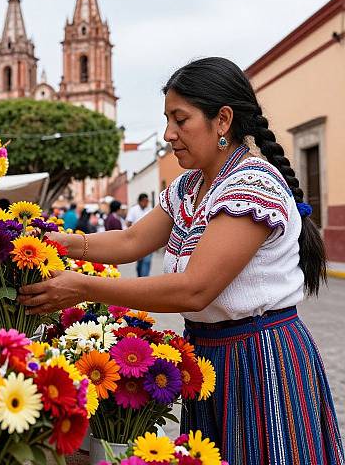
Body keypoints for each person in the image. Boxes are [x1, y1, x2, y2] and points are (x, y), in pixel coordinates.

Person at [19, 57, 344, 464]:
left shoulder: (252, 185)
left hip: (259, 362)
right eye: (167, 120)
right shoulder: (189, 185)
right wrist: (54, 241)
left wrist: (81, 286)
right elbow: (133, 239)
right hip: (209, 355)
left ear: (222, 120)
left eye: (181, 119)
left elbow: (194, 289)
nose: (170, 134)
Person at [127, 193, 153, 276]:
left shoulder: (150, 210)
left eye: (147, 201)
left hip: (148, 239)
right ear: (140, 201)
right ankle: (140, 277)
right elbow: (128, 223)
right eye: (145, 201)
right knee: (140, 261)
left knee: (147, 261)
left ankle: (144, 280)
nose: (146, 203)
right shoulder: (133, 210)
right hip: (137, 239)